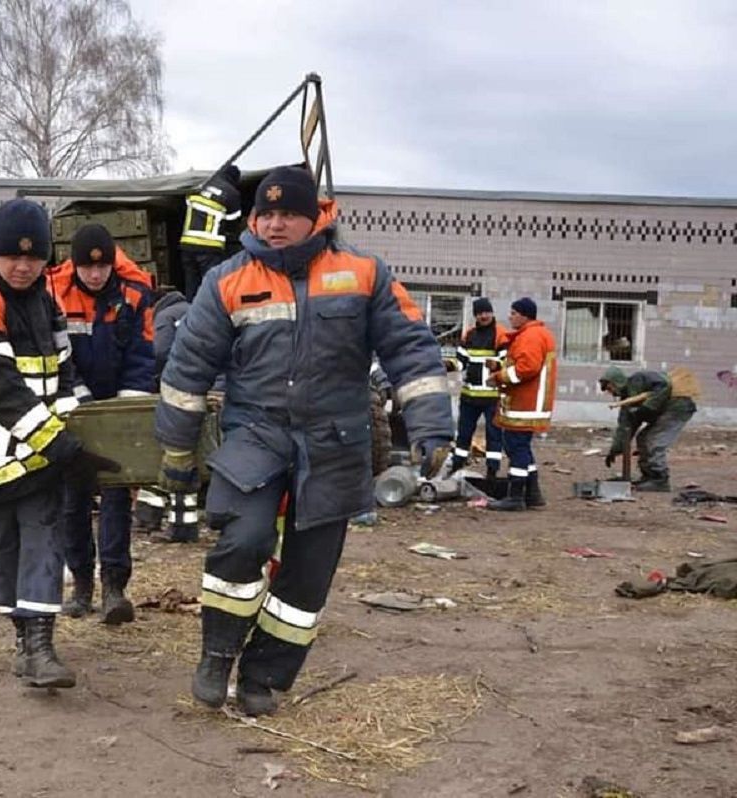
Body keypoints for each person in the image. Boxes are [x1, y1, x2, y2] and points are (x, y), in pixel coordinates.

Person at [155, 166, 453, 716]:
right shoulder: (227, 280)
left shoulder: (363, 273)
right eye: (265, 214)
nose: (275, 225)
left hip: (335, 442)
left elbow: (411, 347)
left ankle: (263, 676)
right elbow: (187, 368)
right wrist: (176, 450)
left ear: (315, 218)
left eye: (288, 214)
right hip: (255, 434)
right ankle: (217, 655)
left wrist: (431, 426)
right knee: (242, 541)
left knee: (308, 575)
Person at [0, 198, 118, 689]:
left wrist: (83, 426)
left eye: (34, 257)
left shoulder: (44, 300)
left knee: (44, 540)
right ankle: (22, 640)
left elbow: (62, 372)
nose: (23, 266)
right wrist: (64, 449)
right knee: (1, 553)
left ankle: (40, 648)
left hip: (34, 456)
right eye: (13, 255)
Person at [47, 224, 156, 623]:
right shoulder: (55, 294)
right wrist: (81, 405)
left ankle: (114, 586)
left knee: (116, 498)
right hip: (73, 409)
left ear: (112, 264)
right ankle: (81, 585)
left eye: (102, 267)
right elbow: (56, 357)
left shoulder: (134, 295)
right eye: (87, 268)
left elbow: (143, 355)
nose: (95, 275)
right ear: (74, 265)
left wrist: (124, 414)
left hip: (117, 408)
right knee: (72, 500)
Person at [134, 288, 200, 542]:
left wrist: (154, 378)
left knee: (168, 451)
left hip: (179, 392)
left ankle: (149, 516)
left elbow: (160, 351)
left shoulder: (164, 316)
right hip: (209, 390)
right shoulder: (196, 310)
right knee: (188, 456)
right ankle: (179, 523)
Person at [486, 297, 557, 512]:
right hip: (530, 403)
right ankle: (532, 493)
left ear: (525, 315)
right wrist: (500, 366)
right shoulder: (537, 334)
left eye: (514, 313)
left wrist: (499, 377)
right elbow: (522, 364)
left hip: (525, 404)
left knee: (516, 446)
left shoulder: (531, 336)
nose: (510, 317)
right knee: (522, 447)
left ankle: (516, 496)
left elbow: (526, 368)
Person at [599, 366, 697, 491]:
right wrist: (614, 450)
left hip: (677, 407)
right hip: (667, 411)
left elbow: (664, 384)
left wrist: (647, 407)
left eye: (609, 387)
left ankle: (659, 479)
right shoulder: (627, 401)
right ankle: (649, 476)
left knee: (654, 439)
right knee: (643, 438)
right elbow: (625, 428)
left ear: (616, 381)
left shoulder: (639, 378)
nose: (610, 392)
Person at [448, 298, 510, 488]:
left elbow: (507, 362)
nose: (484, 316)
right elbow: (461, 361)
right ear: (475, 315)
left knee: (494, 435)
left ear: (492, 313)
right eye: (480, 313)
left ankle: (492, 471)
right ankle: (457, 465)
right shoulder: (469, 335)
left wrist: (497, 365)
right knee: (463, 434)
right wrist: (448, 365)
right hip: (469, 396)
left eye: (486, 312)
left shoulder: (500, 334)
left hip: (492, 397)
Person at [179, 164, 243, 300]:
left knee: (191, 284)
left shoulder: (200, 184)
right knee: (211, 287)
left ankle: (190, 310)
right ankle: (208, 311)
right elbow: (234, 222)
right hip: (209, 247)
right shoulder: (231, 193)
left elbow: (187, 202)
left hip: (187, 244)